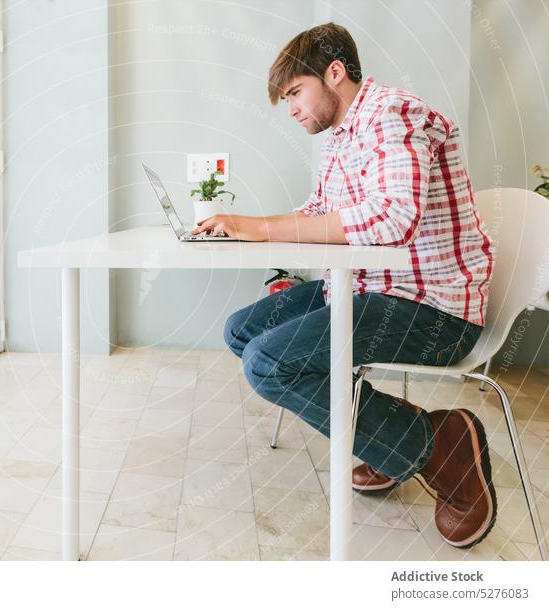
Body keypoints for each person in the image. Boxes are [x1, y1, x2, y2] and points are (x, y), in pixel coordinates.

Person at [194, 22, 496, 550]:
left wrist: (260, 229)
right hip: (371, 290)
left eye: (295, 93)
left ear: (334, 73)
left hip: (433, 311)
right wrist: (242, 224)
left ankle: (436, 448)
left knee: (269, 361)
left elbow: (391, 218)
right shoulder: (343, 137)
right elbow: (320, 212)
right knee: (244, 331)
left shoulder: (394, 114)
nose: (291, 109)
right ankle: (388, 443)